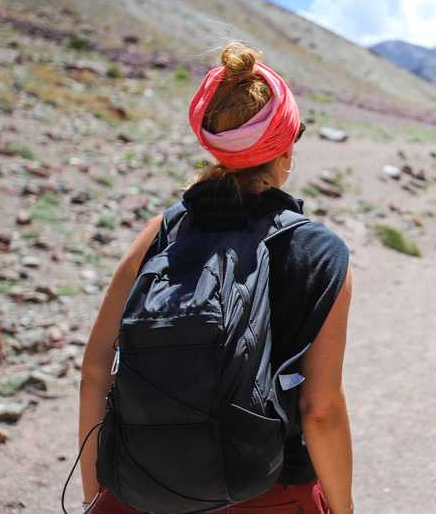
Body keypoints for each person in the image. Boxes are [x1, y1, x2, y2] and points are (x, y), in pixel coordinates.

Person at [76, 43, 353, 514]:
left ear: (210, 141)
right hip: (269, 490)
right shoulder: (320, 252)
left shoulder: (164, 231)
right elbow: (320, 411)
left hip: (141, 489)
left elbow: (95, 372)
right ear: (284, 148)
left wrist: (95, 497)